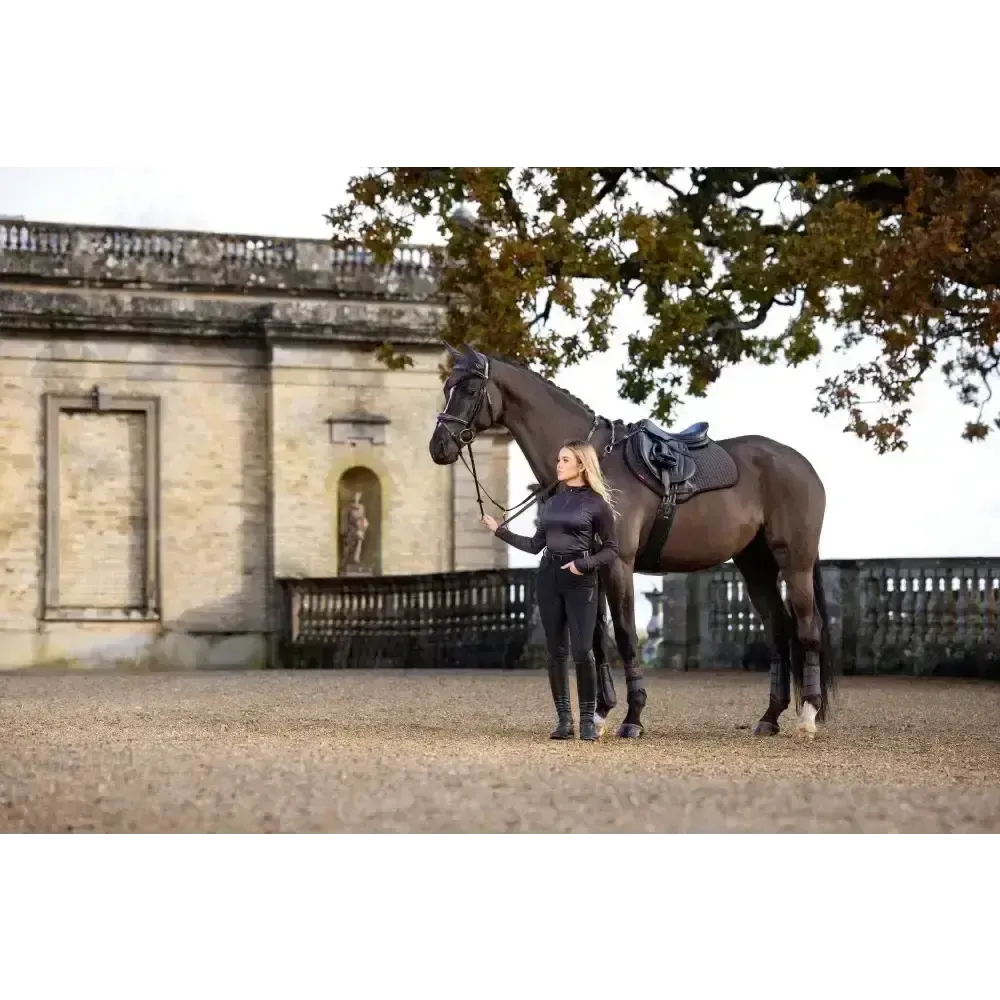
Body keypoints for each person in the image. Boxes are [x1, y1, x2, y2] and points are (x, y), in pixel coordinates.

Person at [481, 440, 620, 741]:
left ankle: (586, 720)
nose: (558, 464)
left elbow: (611, 550)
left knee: (583, 652)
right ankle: (563, 720)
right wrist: (499, 530)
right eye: (559, 459)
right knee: (556, 652)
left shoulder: (598, 504)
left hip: (580, 580)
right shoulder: (553, 501)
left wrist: (583, 565)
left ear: (581, 465)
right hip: (548, 577)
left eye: (565, 460)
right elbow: (534, 546)